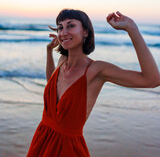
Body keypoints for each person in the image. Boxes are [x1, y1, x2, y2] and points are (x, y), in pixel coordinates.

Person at [27, 9, 160, 157]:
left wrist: (131, 28)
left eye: (70, 26)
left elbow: (152, 79)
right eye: (60, 27)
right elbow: (51, 84)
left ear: (86, 32)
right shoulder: (62, 61)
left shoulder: (95, 70)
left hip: (67, 149)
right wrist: (48, 51)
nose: (63, 32)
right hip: (41, 141)